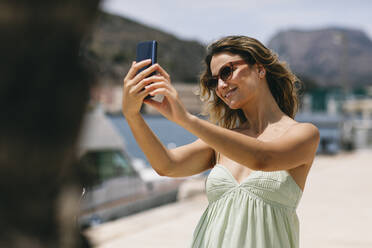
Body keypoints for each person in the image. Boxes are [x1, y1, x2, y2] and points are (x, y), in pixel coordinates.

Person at [122, 35, 319, 248]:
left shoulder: (304, 134)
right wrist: (132, 114)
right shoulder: (221, 141)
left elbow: (263, 158)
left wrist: (186, 119)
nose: (221, 85)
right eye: (214, 81)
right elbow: (166, 165)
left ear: (259, 69)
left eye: (227, 71)